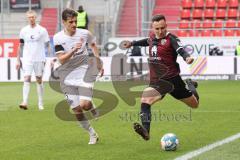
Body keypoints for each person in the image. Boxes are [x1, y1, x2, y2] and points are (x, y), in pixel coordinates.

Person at [122, 14, 199, 140]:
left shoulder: (171, 39)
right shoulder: (152, 37)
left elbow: (180, 49)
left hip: (173, 81)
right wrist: (132, 43)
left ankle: (191, 87)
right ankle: (146, 132)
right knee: (146, 100)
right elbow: (146, 41)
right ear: (153, 28)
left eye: (162, 28)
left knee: (195, 105)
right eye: (157, 29)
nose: (160, 31)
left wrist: (187, 57)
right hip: (157, 82)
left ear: (166, 26)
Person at [53, 8, 104, 144]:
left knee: (84, 105)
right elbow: (61, 59)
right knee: (77, 111)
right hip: (67, 77)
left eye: (75, 21)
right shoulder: (58, 38)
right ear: (64, 22)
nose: (74, 24)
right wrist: (73, 50)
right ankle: (92, 134)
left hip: (84, 73)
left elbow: (93, 45)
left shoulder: (85, 33)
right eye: (71, 22)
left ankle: (90, 104)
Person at [16, 10, 50, 110]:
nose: (31, 19)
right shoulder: (23, 30)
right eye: (29, 17)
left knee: (39, 79)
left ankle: (40, 103)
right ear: (27, 18)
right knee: (27, 78)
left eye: (33, 17)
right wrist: (18, 60)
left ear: (36, 18)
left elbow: (47, 44)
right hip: (27, 59)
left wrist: (47, 57)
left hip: (39, 58)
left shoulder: (42, 30)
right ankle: (24, 102)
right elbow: (20, 45)